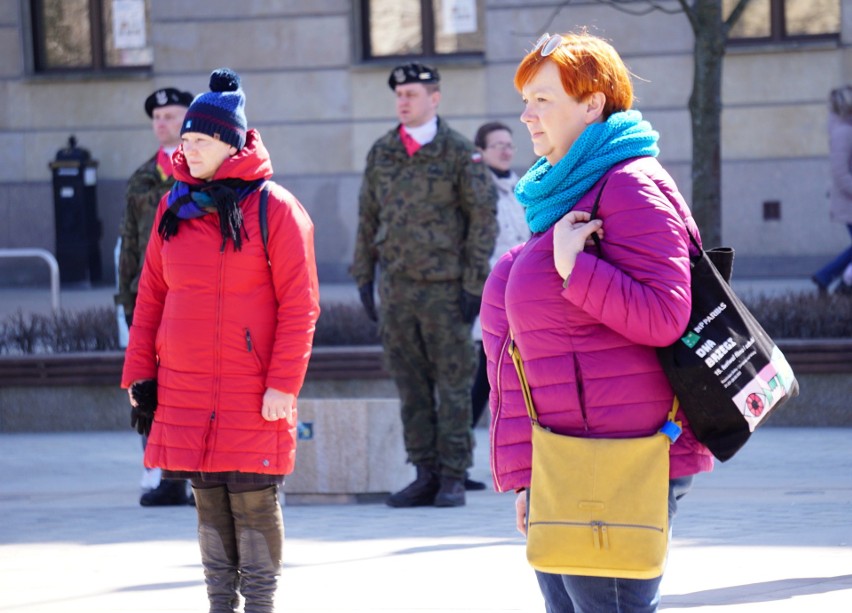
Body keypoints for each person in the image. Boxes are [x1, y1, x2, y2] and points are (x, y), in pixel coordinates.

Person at [480, 31, 714, 611]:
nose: (526, 113)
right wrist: (532, 477)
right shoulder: (564, 189)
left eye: (542, 99)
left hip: (618, 460)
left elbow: (665, 314)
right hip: (569, 459)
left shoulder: (632, 185)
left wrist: (574, 268)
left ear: (593, 103)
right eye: (526, 98)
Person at [121, 68, 320, 613]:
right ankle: (219, 605)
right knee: (206, 499)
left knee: (253, 500)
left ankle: (257, 605)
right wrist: (140, 373)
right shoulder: (174, 207)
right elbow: (150, 298)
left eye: (200, 139)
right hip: (186, 385)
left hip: (253, 385)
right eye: (185, 139)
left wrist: (283, 383)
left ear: (231, 142)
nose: (188, 149)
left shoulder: (274, 207)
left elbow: (301, 306)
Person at [352, 62, 498, 508]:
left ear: (434, 99)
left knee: (453, 385)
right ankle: (424, 472)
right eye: (399, 94)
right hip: (397, 289)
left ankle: (454, 474)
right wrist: (364, 275)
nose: (403, 101)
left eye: (412, 94)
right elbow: (367, 217)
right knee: (411, 385)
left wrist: (475, 283)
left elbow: (482, 220)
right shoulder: (383, 152)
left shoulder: (459, 153)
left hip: (445, 289)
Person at [116, 86, 194, 507]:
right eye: (157, 117)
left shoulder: (203, 171)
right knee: (152, 389)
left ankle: (202, 476)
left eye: (172, 115)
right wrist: (125, 298)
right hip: (150, 298)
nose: (163, 123)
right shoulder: (142, 177)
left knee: (194, 388)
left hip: (191, 297)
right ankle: (167, 476)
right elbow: (129, 243)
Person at [470, 121, 529, 433]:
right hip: (491, 296)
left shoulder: (522, 190)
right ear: (481, 151)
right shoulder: (475, 193)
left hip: (523, 295)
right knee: (488, 373)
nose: (506, 150)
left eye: (509, 144)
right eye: (498, 145)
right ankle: (459, 454)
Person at [812, 85, 852, 295]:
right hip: (848, 202)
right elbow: (841, 174)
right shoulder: (843, 132)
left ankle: (827, 278)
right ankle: (834, 281)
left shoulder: (846, 129)